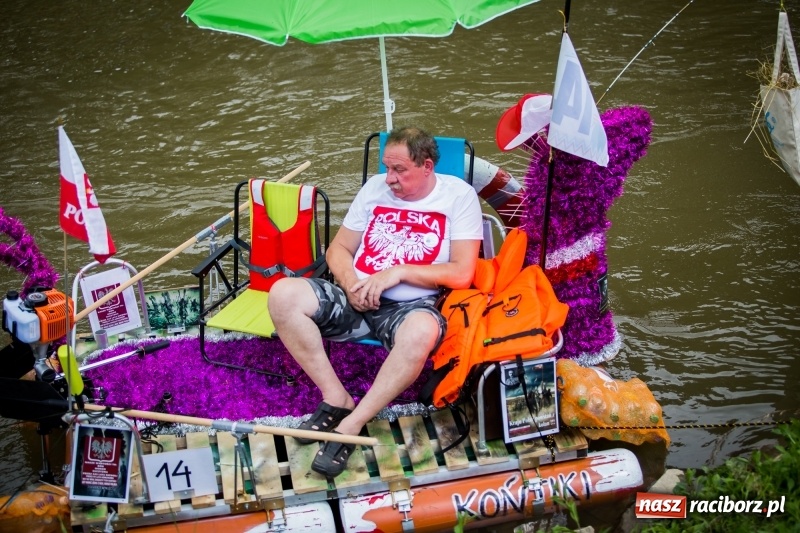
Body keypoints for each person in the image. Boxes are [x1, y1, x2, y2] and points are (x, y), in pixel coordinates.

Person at [268, 126, 483, 477]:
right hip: (356, 293)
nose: (390, 178)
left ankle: (352, 425)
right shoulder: (374, 189)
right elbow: (337, 249)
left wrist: (397, 272)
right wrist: (351, 282)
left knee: (420, 333)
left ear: (427, 166)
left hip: (412, 305)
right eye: (387, 168)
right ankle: (335, 396)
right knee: (282, 293)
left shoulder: (458, 196)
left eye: (400, 170)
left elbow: (461, 274)